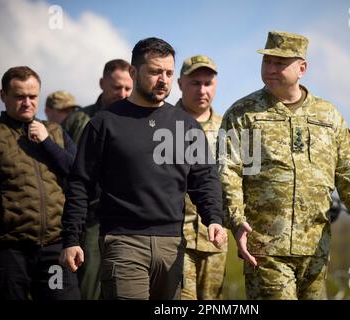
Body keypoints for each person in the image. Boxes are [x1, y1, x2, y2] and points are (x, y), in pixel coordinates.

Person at [59, 37, 227, 300]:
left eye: (169, 73)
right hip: (123, 242)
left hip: (172, 244)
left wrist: (214, 218)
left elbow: (204, 178)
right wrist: (71, 238)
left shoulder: (186, 126)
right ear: (134, 72)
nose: (163, 80)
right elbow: (80, 183)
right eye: (155, 71)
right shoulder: (104, 124)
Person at [218, 31, 350, 300]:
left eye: (279, 63)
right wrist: (236, 220)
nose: (270, 69)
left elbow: (348, 168)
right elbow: (228, 170)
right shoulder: (242, 113)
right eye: (267, 62)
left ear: (302, 68)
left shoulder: (328, 115)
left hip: (316, 247)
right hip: (265, 247)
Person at [0, 66, 79, 300]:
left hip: (54, 251)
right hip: (8, 251)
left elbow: (78, 177)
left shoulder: (55, 132)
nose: (27, 102)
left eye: (32, 96)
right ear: (3, 96)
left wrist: (47, 143)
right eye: (19, 96)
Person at [61, 59, 133, 300]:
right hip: (90, 218)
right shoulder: (79, 120)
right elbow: (63, 170)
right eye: (116, 88)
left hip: (126, 219)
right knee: (89, 284)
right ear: (102, 83)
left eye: (128, 88)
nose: (122, 94)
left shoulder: (136, 120)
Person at [176, 55, 228, 300]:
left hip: (216, 238)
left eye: (208, 83)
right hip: (175, 236)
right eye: (195, 83)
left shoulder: (228, 129)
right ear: (180, 84)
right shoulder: (162, 123)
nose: (202, 90)